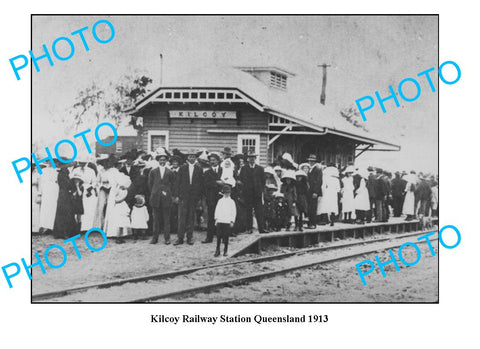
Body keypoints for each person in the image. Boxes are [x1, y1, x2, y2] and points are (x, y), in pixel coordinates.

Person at [173, 149, 204, 245]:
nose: (191, 158)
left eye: (193, 156)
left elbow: (200, 185)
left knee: (191, 217)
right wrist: (177, 196)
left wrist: (199, 198)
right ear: (187, 157)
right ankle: (180, 238)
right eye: (190, 156)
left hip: (193, 197)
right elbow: (177, 183)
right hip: (183, 196)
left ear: (196, 158)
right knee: (181, 217)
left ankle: (190, 237)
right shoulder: (182, 168)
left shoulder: (199, 169)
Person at [148, 149, 175, 245]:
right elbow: (150, 185)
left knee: (166, 219)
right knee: (156, 219)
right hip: (156, 198)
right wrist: (156, 192)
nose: (162, 161)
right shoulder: (153, 171)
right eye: (161, 160)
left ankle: (167, 238)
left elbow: (172, 184)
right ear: (158, 160)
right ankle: (154, 238)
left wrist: (167, 192)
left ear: (166, 161)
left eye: (164, 160)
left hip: (166, 198)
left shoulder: (170, 172)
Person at [238, 150, 268, 234]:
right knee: (248, 211)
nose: (252, 159)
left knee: (259, 211)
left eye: (253, 158)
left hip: (257, 194)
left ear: (255, 158)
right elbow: (241, 180)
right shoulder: (244, 168)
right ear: (248, 159)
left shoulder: (260, 168)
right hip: (248, 193)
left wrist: (260, 190)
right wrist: (245, 189)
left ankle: (261, 229)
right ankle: (249, 228)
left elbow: (263, 181)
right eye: (250, 158)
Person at [72, 158, 98, 233]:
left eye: (83, 163)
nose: (82, 165)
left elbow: (94, 182)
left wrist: (90, 188)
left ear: (86, 163)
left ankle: (88, 227)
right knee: (79, 209)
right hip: (79, 189)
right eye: (80, 163)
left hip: (88, 190)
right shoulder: (75, 170)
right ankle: (80, 227)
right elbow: (72, 179)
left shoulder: (91, 170)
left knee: (89, 209)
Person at [203, 152, 223, 243]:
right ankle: (209, 237)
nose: (212, 162)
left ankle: (222, 236)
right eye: (211, 160)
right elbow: (206, 184)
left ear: (218, 161)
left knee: (222, 217)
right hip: (211, 198)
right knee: (211, 218)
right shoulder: (207, 172)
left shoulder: (223, 170)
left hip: (221, 197)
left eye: (214, 160)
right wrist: (216, 183)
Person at [53, 163, 77, 239]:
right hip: (64, 195)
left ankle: (61, 232)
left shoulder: (64, 174)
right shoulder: (62, 174)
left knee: (63, 212)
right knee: (65, 213)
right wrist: (73, 186)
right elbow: (66, 185)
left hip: (63, 194)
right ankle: (64, 232)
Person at [214, 185, 237, 257]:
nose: (227, 194)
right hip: (220, 220)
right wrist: (216, 219)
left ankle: (225, 250)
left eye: (228, 193)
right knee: (218, 236)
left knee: (226, 237)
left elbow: (234, 212)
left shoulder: (232, 202)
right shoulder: (220, 201)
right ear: (223, 193)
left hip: (227, 221)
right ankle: (217, 250)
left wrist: (232, 221)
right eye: (225, 193)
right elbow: (217, 210)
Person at [38, 162, 59, 234]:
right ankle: (44, 226)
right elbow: (40, 182)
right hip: (46, 190)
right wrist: (40, 192)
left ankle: (51, 227)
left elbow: (58, 181)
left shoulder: (57, 170)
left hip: (54, 190)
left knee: (53, 208)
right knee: (45, 208)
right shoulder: (44, 171)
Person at [111, 173, 132, 243]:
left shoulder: (125, 191)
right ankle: (118, 237)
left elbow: (120, 199)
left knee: (122, 222)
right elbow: (115, 199)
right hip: (118, 206)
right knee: (119, 223)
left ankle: (121, 237)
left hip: (122, 205)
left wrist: (118, 200)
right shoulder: (116, 190)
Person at [306, 154, 323, 228]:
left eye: (312, 161)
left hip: (314, 191)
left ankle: (313, 223)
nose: (311, 162)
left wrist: (316, 192)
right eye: (310, 161)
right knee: (309, 207)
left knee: (313, 207)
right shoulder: (310, 169)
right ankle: (310, 223)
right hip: (309, 191)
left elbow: (319, 181)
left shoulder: (317, 169)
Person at [169, 155, 182, 238]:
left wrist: (178, 196)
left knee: (179, 212)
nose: (175, 164)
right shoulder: (169, 171)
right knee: (171, 211)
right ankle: (172, 228)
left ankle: (179, 229)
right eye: (173, 162)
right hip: (170, 194)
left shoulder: (182, 171)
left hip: (179, 194)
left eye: (176, 162)